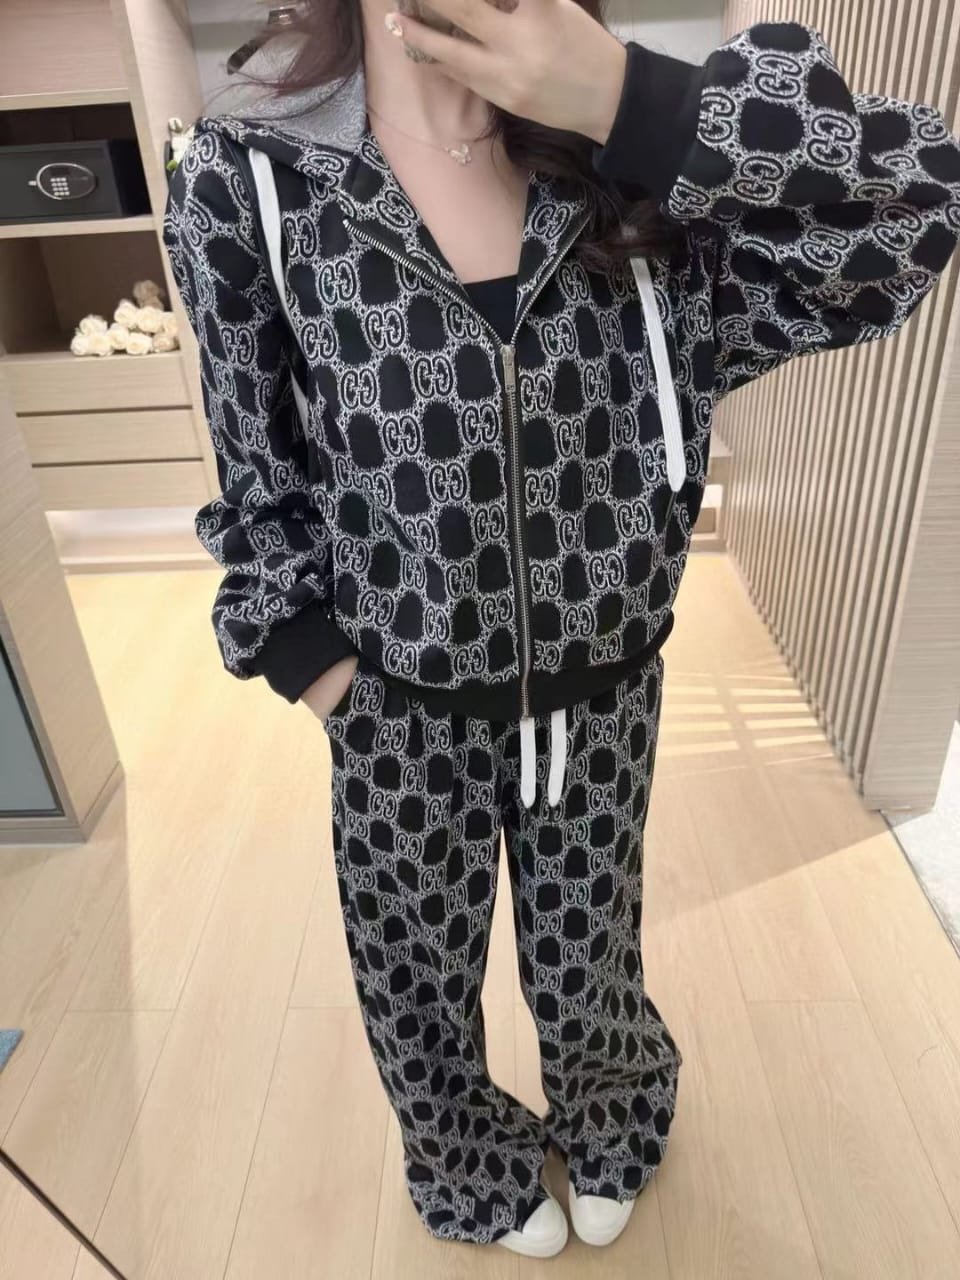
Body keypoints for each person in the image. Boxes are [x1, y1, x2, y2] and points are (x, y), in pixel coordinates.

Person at [161, 0, 960, 1258]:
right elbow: (254, 463)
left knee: (591, 957)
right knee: (415, 976)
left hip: (605, 693)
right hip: (398, 707)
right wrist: (324, 671)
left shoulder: (637, 174)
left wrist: (633, 104)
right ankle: (464, 1155)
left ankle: (614, 1111)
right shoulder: (251, 177)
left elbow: (919, 200)